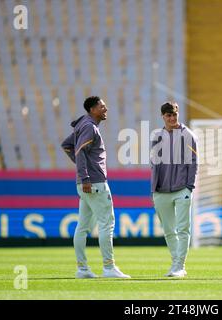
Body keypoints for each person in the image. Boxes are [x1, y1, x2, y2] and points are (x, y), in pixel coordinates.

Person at [61, 96, 130, 279]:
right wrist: (86, 176)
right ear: (92, 109)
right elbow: (79, 150)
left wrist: (83, 172)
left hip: (86, 183)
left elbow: (67, 145)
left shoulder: (82, 125)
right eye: (102, 106)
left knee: (83, 226)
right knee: (107, 223)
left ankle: (82, 269)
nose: (105, 109)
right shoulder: (90, 127)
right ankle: (109, 267)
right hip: (94, 182)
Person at [150, 101, 198, 277]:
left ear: (178, 114)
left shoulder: (188, 135)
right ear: (162, 116)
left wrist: (189, 187)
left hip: (181, 190)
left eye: (174, 114)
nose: (172, 118)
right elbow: (154, 164)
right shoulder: (156, 136)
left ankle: (179, 266)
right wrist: (153, 189)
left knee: (183, 229)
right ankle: (175, 263)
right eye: (168, 115)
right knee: (169, 230)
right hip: (161, 190)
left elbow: (194, 162)